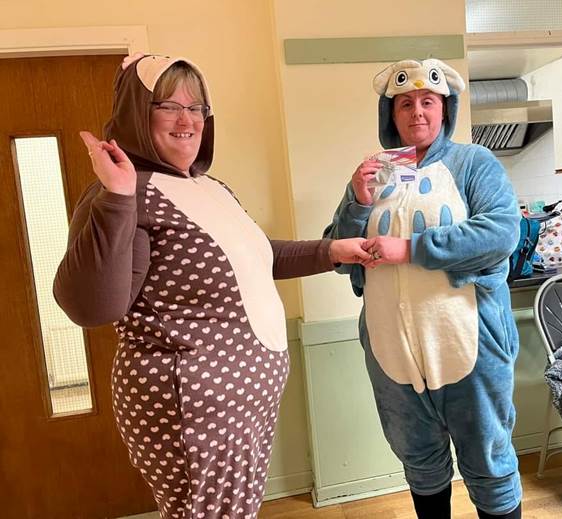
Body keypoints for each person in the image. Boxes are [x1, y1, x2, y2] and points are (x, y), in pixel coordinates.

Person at [53, 54, 370, 519]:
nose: (187, 119)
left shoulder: (209, 187)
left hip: (240, 406)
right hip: (194, 406)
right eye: (168, 106)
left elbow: (259, 256)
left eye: (196, 107)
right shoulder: (127, 191)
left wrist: (333, 251)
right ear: (138, 115)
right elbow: (93, 305)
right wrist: (116, 198)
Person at [324, 58, 523, 518]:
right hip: (392, 353)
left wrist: (409, 249)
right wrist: (357, 201)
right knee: (421, 464)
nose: (417, 112)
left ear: (445, 109)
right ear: (390, 115)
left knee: (489, 466)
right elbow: (335, 250)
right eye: (405, 103)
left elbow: (501, 233)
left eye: (428, 102)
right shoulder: (376, 174)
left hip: (469, 347)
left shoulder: (474, 163)